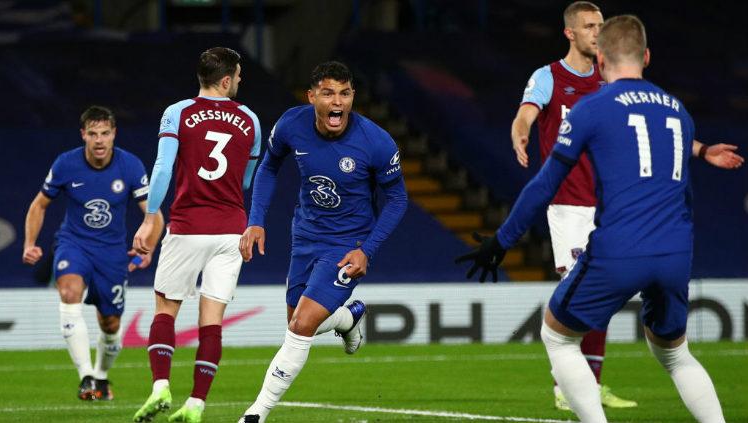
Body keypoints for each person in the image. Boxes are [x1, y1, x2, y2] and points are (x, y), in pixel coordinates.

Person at [460, 15, 727, 423]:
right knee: (675, 354)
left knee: (557, 335)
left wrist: (501, 241)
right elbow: (684, 193)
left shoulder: (592, 107)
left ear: (601, 59)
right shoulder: (677, 110)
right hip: (675, 251)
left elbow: (543, 185)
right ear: (647, 57)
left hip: (619, 248)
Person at [236, 61, 408, 423]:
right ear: (311, 96)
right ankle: (347, 319)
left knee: (300, 326)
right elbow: (268, 167)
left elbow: (397, 199)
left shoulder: (375, 142)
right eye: (328, 93)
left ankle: (256, 412)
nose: (338, 102)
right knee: (297, 323)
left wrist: (367, 249)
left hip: (348, 243)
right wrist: (256, 221)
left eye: (345, 94)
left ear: (352, 97)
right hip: (305, 235)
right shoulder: (290, 125)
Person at [131, 47, 262, 423]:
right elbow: (247, 180)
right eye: (237, 75)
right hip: (231, 230)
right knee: (212, 320)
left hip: (188, 226)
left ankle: (160, 388)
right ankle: (197, 403)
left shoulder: (178, 112)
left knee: (165, 310)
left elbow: (162, 169)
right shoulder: (250, 119)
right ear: (225, 80)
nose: (240, 81)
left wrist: (150, 218)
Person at [22, 105, 164, 401]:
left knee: (110, 324)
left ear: (114, 134)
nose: (99, 140)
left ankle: (100, 376)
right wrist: (29, 242)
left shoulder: (131, 166)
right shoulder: (65, 164)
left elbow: (154, 215)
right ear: (83, 135)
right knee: (69, 291)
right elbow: (39, 205)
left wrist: (148, 247)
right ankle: (85, 376)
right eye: (93, 134)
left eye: (105, 133)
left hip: (112, 253)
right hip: (73, 243)